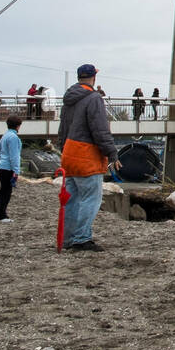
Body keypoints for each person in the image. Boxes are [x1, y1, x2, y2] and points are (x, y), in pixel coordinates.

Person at [57, 64, 119, 252]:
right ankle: (81, 238)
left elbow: (62, 130)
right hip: (87, 156)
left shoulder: (68, 100)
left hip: (69, 154)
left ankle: (67, 239)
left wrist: (64, 149)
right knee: (90, 199)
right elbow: (100, 130)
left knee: (72, 199)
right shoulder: (94, 99)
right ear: (94, 78)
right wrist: (112, 153)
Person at [0, 114, 22, 224]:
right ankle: (1, 216)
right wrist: (16, 171)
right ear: (18, 126)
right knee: (6, 192)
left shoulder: (5, 135)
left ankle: (0, 214)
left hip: (1, 166)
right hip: (8, 168)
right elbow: (14, 156)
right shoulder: (14, 137)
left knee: (3, 191)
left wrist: (1, 157)